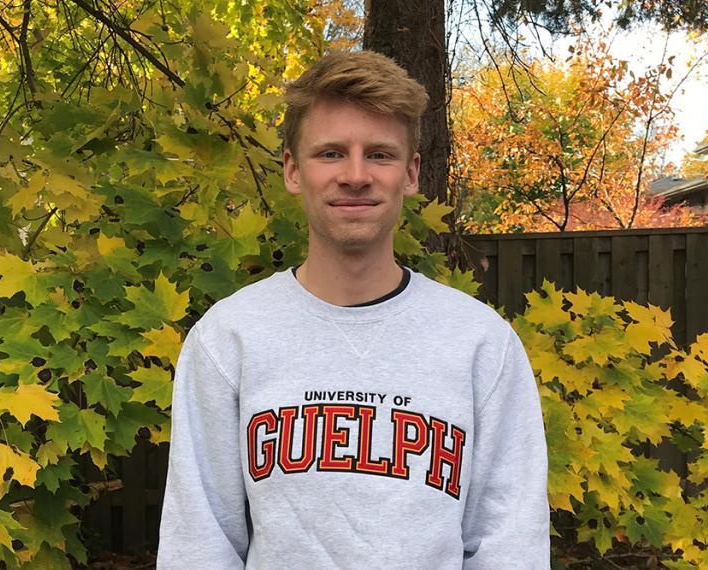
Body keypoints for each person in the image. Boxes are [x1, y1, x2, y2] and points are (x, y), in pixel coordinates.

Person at [157, 50, 549, 568]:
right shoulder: (229, 338)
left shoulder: (479, 342)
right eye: (331, 153)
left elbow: (510, 543)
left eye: (380, 154)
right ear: (293, 171)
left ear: (410, 174)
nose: (356, 175)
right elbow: (198, 543)